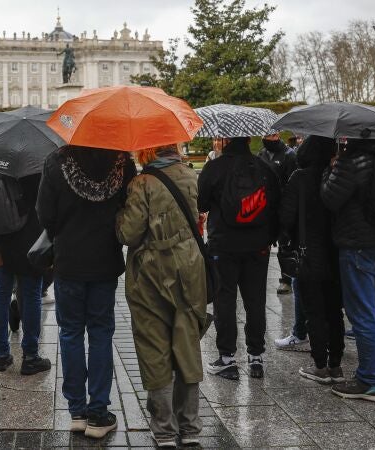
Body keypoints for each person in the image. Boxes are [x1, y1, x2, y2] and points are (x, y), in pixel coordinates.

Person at [37, 146, 136, 439]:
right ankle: (98, 411)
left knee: (69, 333)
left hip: (68, 260)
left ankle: (77, 411)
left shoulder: (56, 161)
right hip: (105, 261)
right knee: (101, 332)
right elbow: (128, 209)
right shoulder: (121, 163)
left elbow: (45, 214)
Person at [117, 145, 205, 448]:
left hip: (151, 272)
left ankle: (165, 430)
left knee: (154, 346)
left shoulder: (144, 183)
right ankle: (190, 427)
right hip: (190, 268)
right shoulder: (190, 176)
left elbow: (129, 233)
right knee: (187, 343)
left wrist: (120, 215)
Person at [321, 138, 375, 401]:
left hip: (359, 247)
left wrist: (330, 170)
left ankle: (369, 380)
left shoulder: (352, 162)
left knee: (364, 313)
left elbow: (329, 198)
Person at [198, 137, 281, 380]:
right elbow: (276, 204)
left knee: (225, 299)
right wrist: (270, 236)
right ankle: (256, 356)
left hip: (223, 244)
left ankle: (227, 358)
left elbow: (201, 202)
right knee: (255, 300)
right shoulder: (264, 167)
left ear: (226, 140)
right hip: (257, 245)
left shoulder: (215, 167)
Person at [279, 136, 345, 384]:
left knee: (314, 310)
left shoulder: (300, 177)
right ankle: (336, 365)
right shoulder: (337, 175)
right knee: (334, 310)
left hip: (307, 252)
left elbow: (286, 216)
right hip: (336, 252)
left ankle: (320, 365)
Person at [0, 172, 51, 375]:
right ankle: (30, 356)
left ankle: (1, 355)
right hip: (29, 241)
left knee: (1, 293)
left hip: (1, 241)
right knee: (31, 295)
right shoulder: (36, 168)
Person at [258, 132, 297, 295]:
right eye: (267, 135)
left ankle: (286, 279)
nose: (270, 138)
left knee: (284, 243)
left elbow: (293, 182)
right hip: (265, 205)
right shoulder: (261, 154)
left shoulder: (289, 155)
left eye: (273, 135)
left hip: (283, 204)